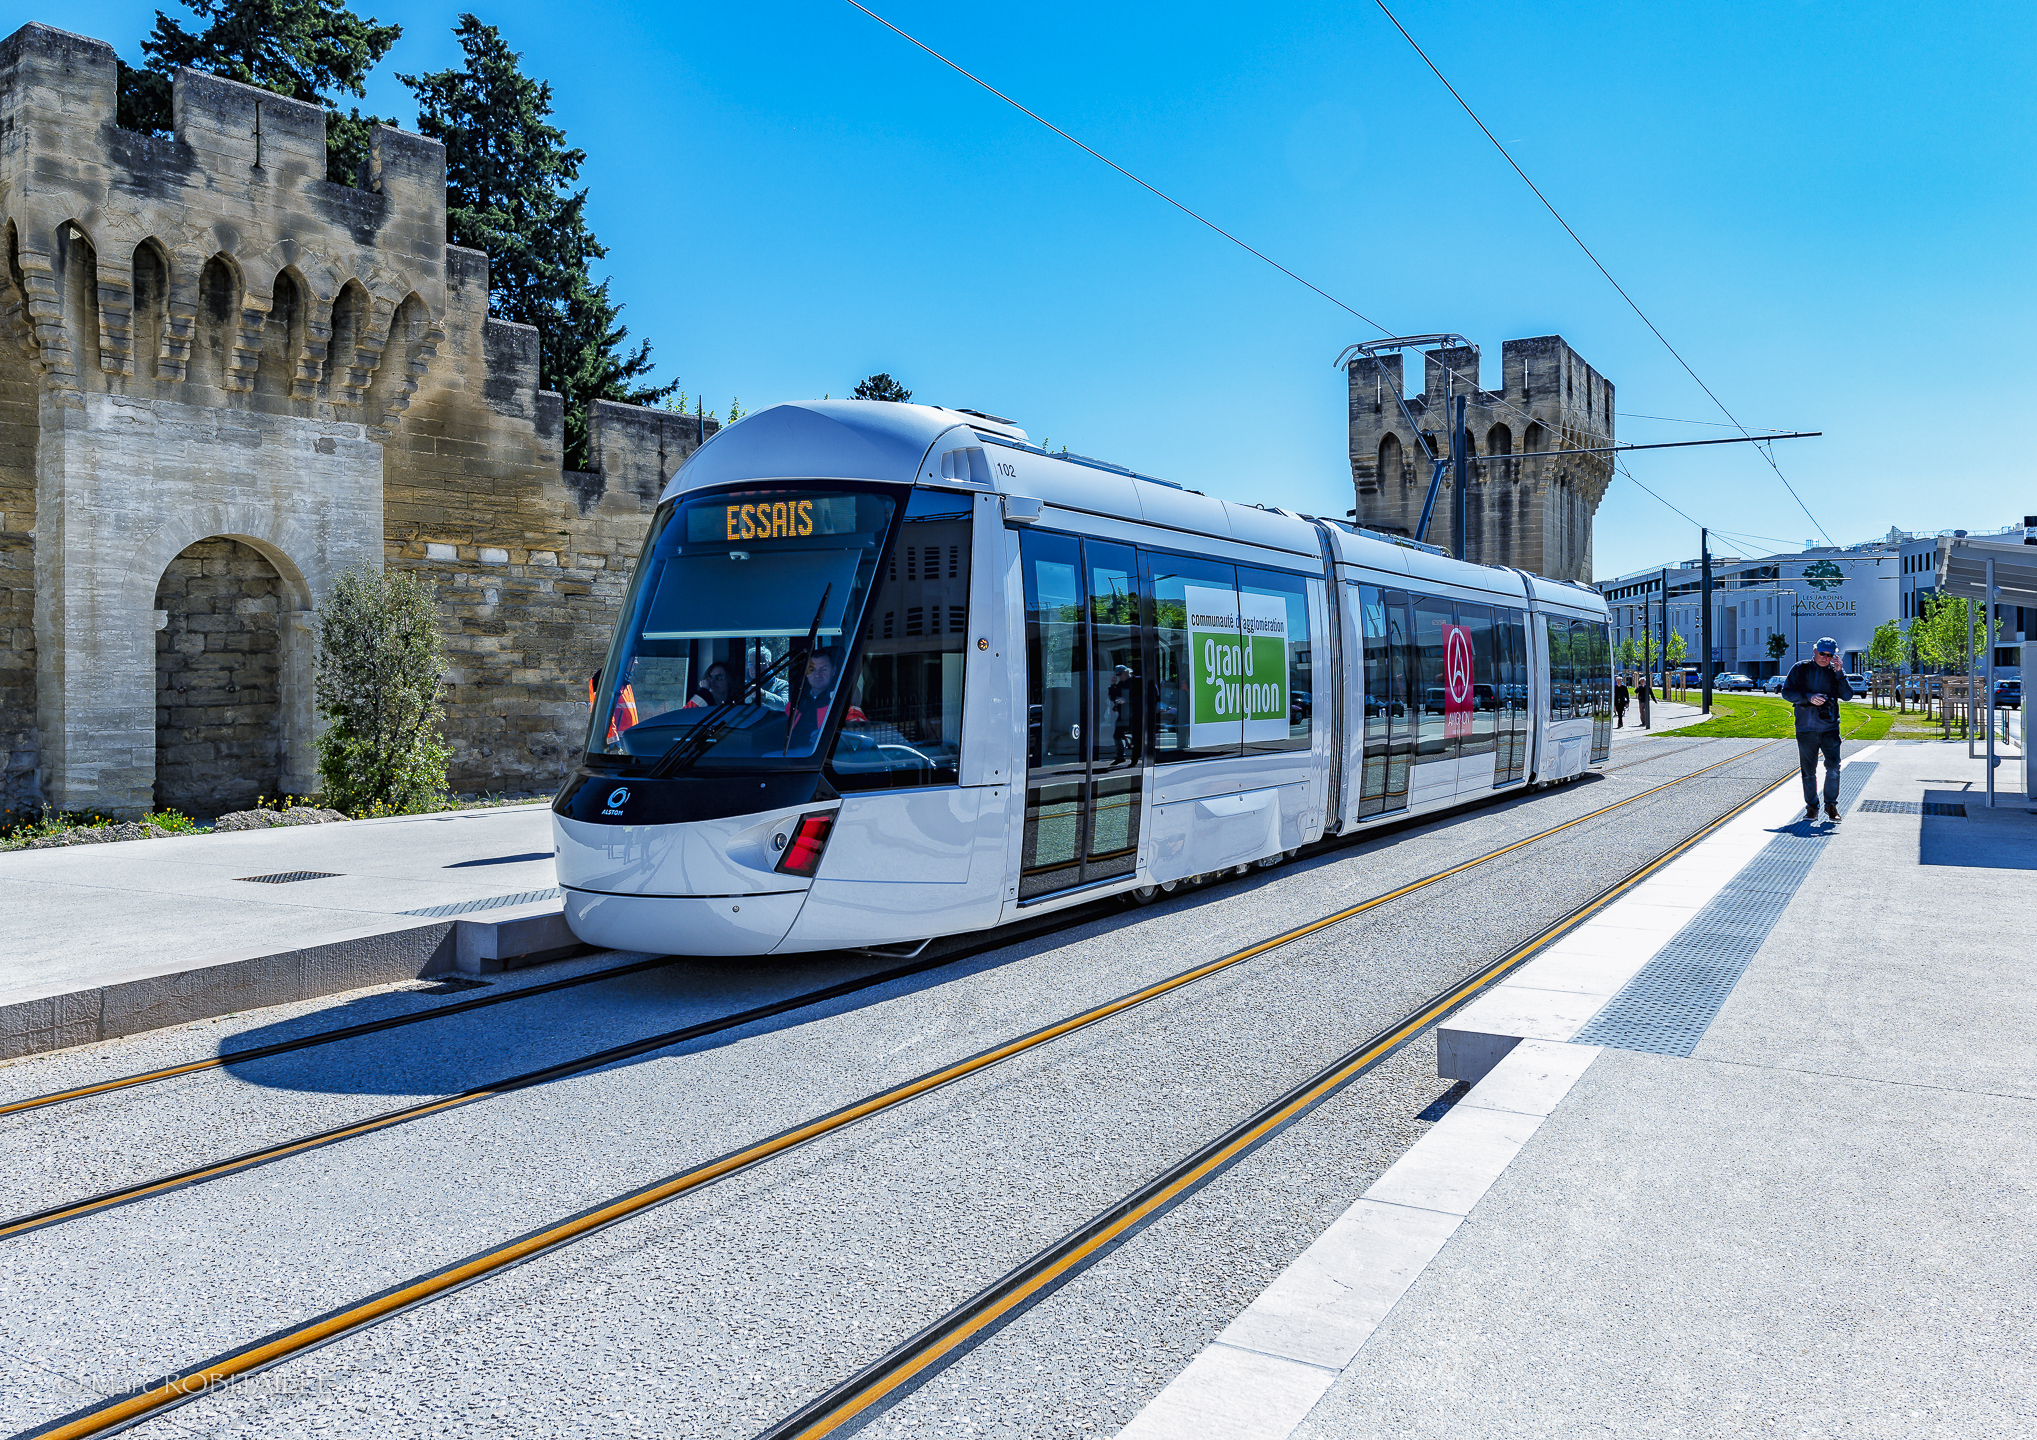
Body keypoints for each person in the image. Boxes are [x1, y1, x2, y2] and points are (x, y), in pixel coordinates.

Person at [1780, 637, 1854, 823]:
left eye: (1830, 655)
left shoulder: (1835, 672)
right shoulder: (1800, 668)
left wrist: (1840, 673)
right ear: (1814, 651)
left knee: (1833, 768)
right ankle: (1812, 807)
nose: (1825, 658)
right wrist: (1808, 698)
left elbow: (1847, 696)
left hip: (1829, 728)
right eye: (1822, 654)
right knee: (1808, 771)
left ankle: (1831, 806)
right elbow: (1786, 692)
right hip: (1806, 728)